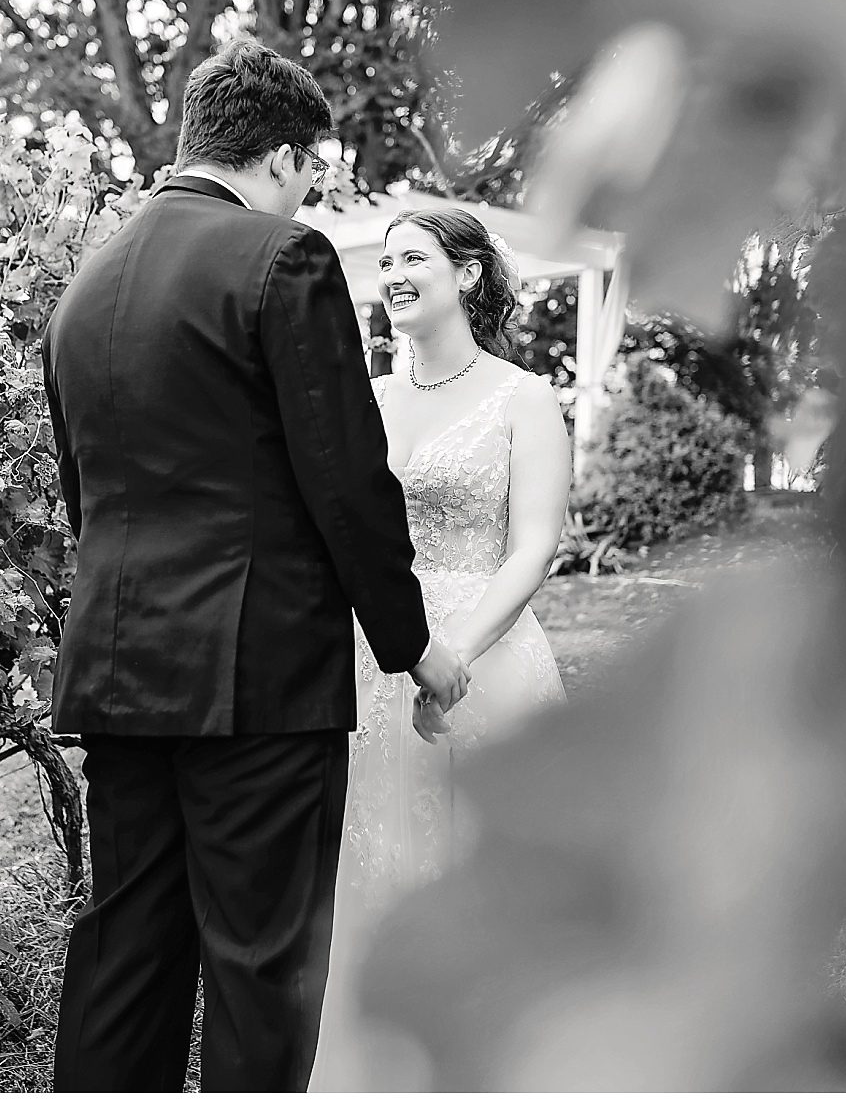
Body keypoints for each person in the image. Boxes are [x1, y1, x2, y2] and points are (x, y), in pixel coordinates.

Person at [42, 37, 469, 1092]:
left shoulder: (85, 287)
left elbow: (82, 495)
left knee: (126, 954)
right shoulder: (285, 259)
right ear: (281, 157)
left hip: (116, 668)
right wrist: (410, 643)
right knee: (260, 960)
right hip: (258, 679)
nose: (307, 192)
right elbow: (345, 480)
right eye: (309, 172)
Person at [309, 206, 572, 1091]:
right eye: (384, 263)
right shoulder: (370, 397)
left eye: (412, 258)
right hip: (374, 659)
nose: (393, 276)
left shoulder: (522, 397)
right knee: (375, 866)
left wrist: (451, 654)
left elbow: (535, 547)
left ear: (467, 274)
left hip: (486, 661)